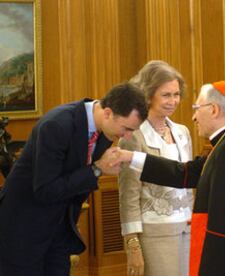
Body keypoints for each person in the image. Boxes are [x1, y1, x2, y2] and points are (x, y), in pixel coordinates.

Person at [115, 81, 225, 276]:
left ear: (214, 110)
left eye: (197, 108)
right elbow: (184, 173)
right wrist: (129, 157)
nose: (193, 116)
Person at [0, 82, 148, 275]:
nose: (127, 137)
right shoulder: (56, 125)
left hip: (59, 232)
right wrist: (96, 169)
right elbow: (45, 190)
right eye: (126, 128)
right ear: (107, 112)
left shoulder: (105, 132)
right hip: (23, 231)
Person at [118, 60, 193, 276]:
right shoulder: (133, 136)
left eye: (176, 94)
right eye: (166, 95)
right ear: (148, 95)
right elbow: (128, 195)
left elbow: (188, 185)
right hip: (154, 234)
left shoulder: (183, 132)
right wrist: (132, 245)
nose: (173, 101)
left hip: (186, 228)